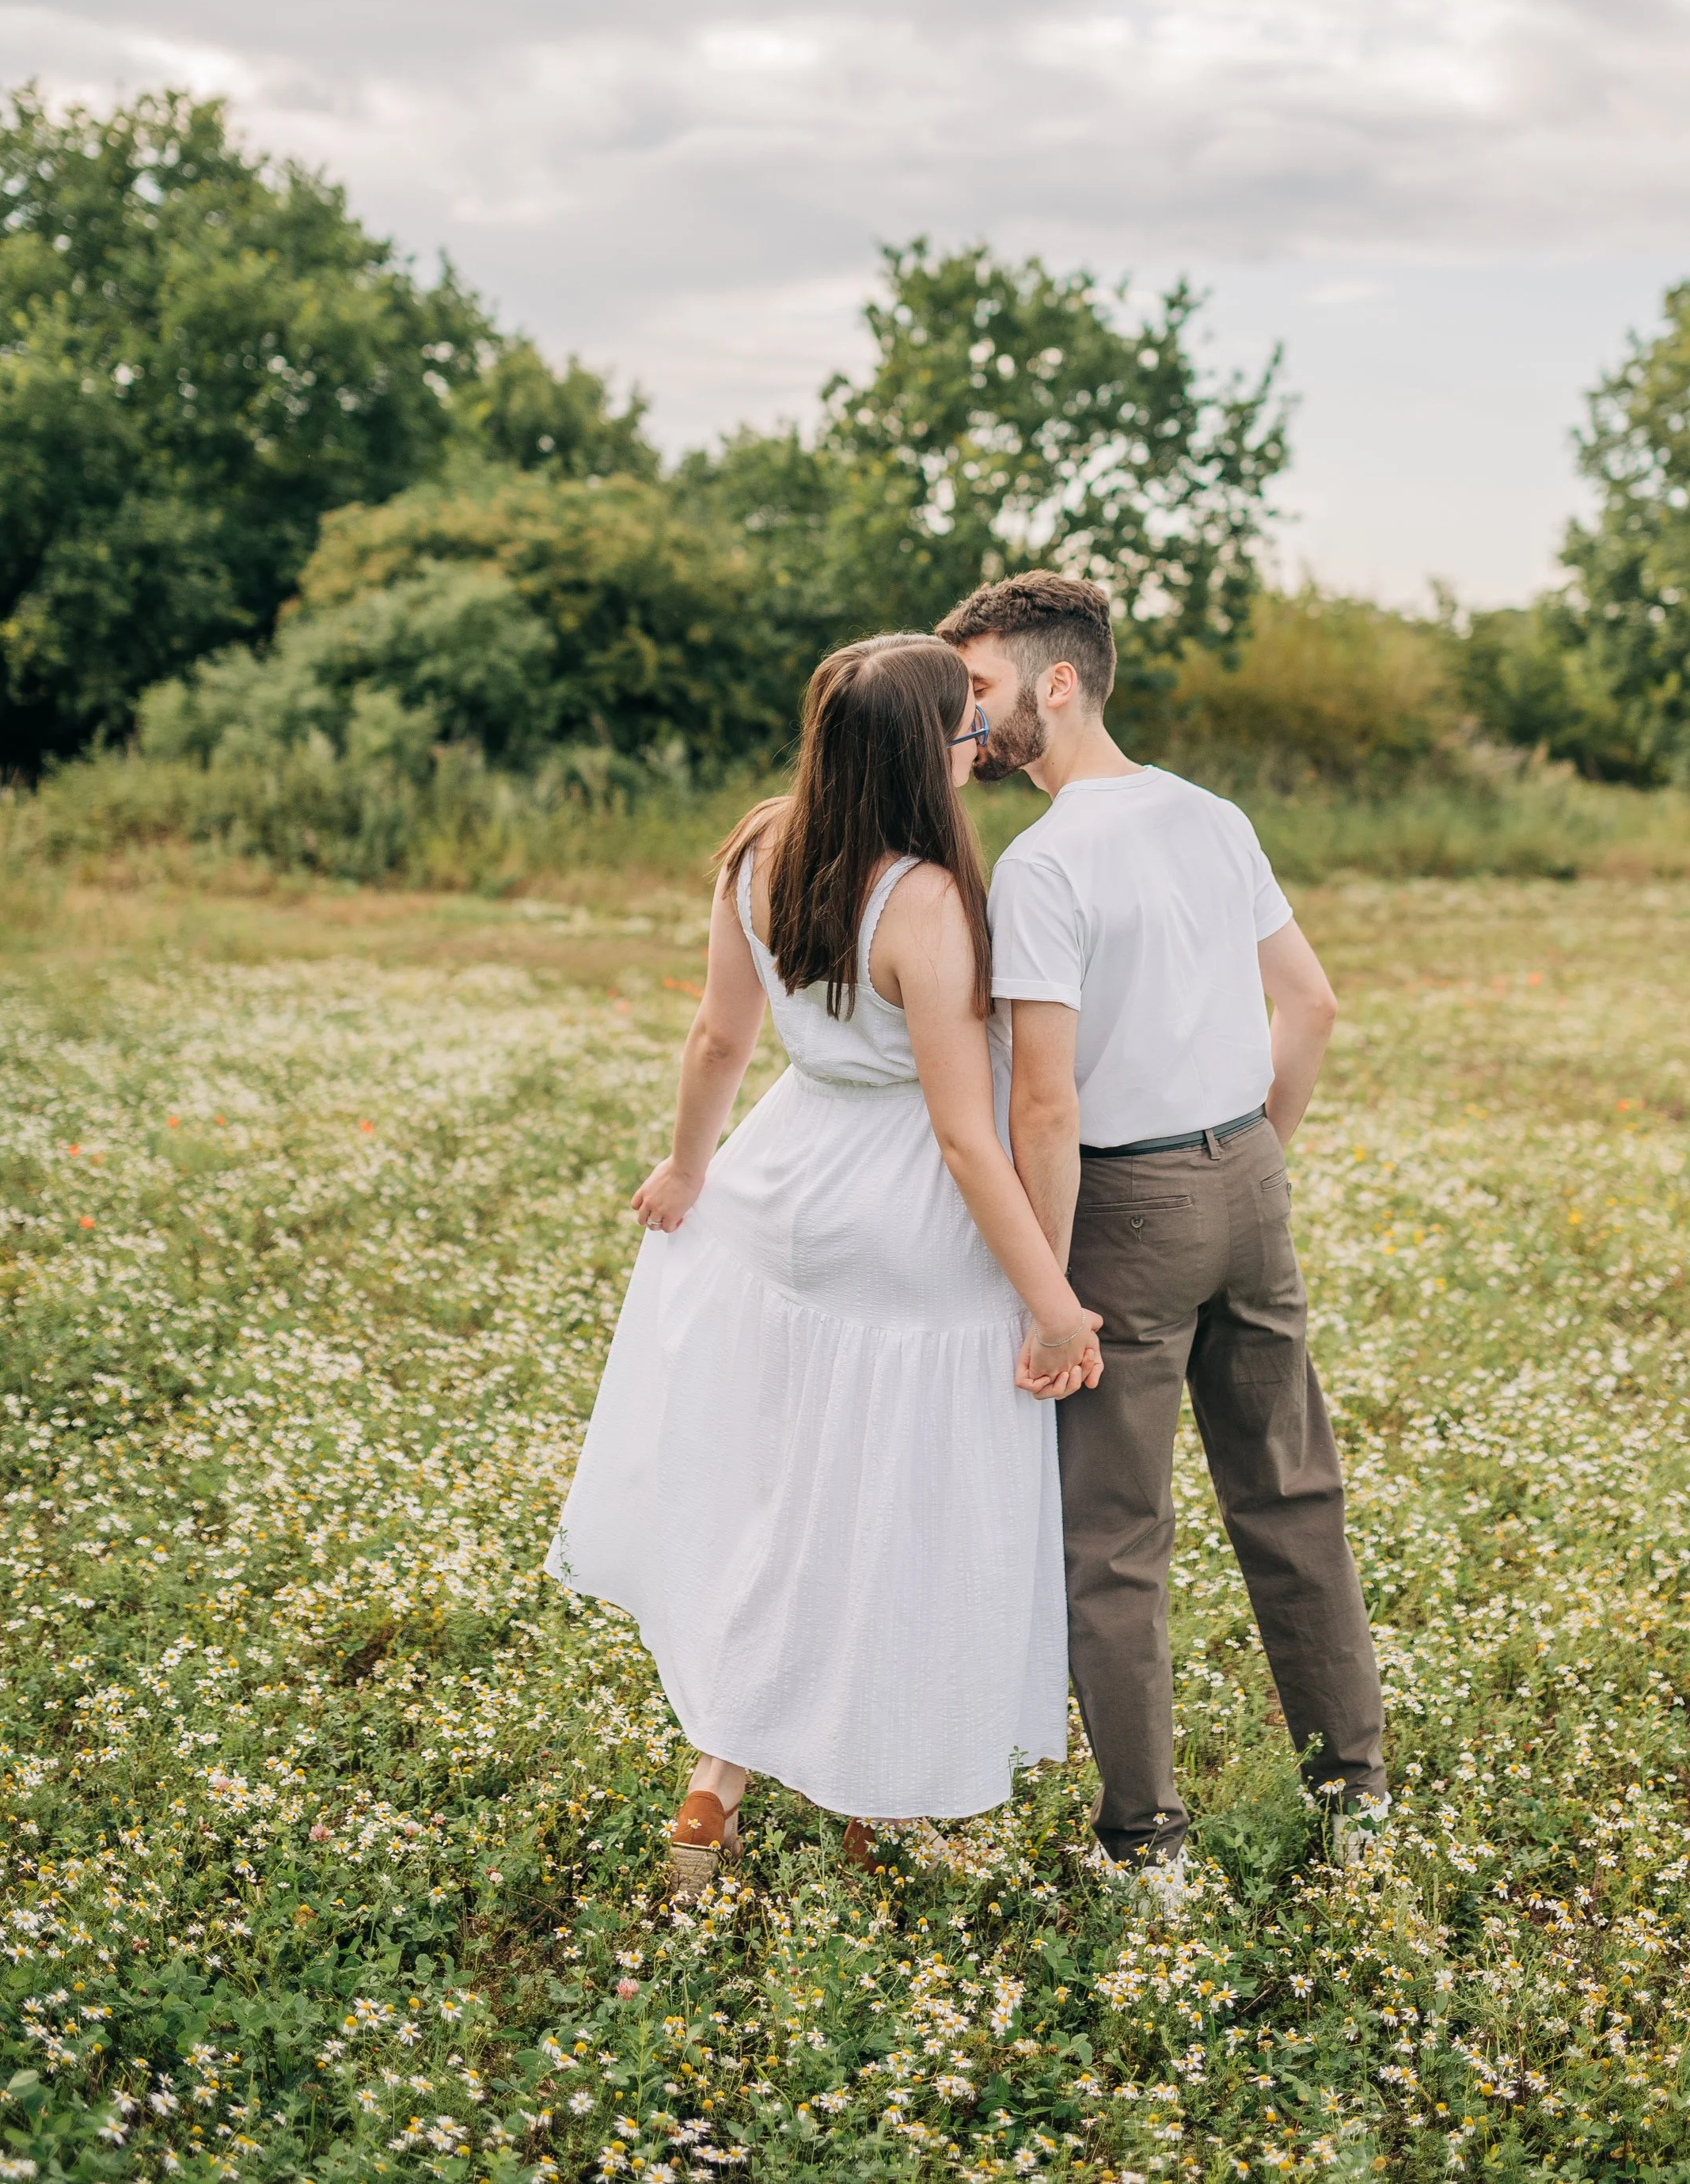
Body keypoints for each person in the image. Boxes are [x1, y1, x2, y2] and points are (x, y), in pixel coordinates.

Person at [549, 634, 1105, 1894]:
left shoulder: (759, 844)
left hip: (780, 1188)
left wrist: (690, 1171)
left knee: (786, 1493)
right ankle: (877, 1790)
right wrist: (1054, 1305)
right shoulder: (931, 901)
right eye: (964, 722)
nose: (982, 739)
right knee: (903, 1507)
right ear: (921, 750)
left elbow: (714, 1038)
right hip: (906, 1228)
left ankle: (718, 1784)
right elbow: (971, 1140)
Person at [938, 571, 1387, 1894]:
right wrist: (1251, 1162)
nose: (965, 718)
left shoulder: (1046, 863)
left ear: (1055, 684)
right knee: (1294, 1496)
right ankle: (1354, 1798)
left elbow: (1046, 1099)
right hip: (1247, 1178)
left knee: (1115, 1538)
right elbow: (1309, 1007)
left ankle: (1146, 1849)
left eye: (979, 690)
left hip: (1124, 1211)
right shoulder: (1212, 815)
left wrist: (1050, 1295)